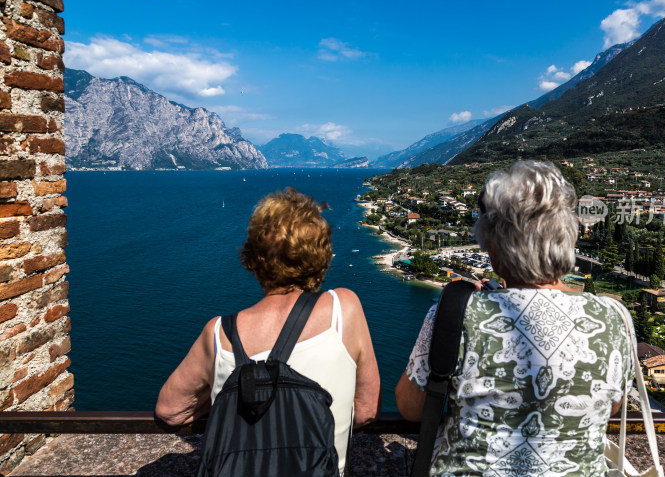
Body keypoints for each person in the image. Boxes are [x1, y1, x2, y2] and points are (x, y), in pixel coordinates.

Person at [395, 161, 634, 476]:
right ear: (567, 240)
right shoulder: (612, 318)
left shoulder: (457, 312)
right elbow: (611, 406)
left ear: (493, 248)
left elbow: (411, 408)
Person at [156, 188, 381, 475]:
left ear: (254, 261)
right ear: (322, 256)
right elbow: (367, 410)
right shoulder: (344, 309)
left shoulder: (218, 333)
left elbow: (170, 412)